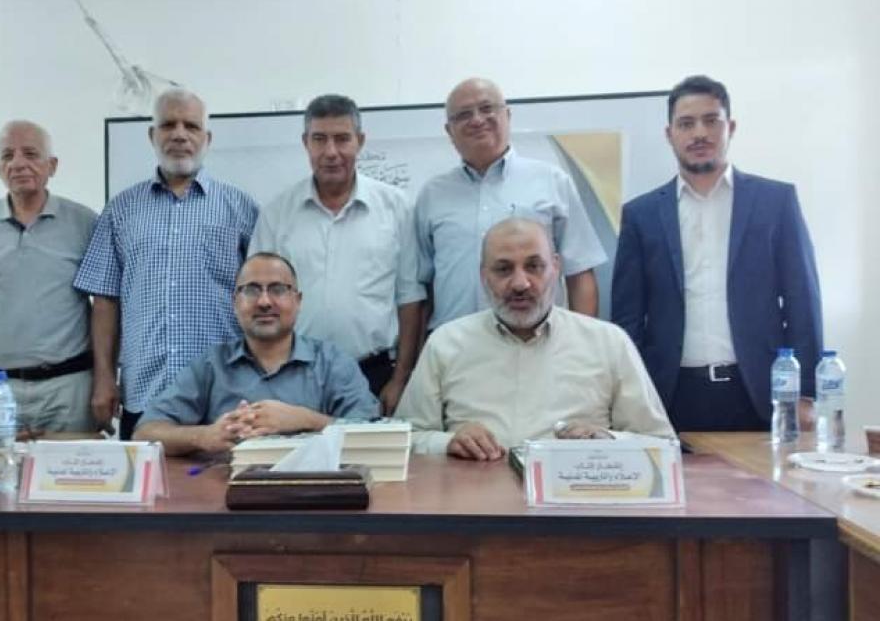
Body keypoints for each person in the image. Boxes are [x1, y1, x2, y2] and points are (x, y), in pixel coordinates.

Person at [611, 75, 823, 433]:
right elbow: (627, 318)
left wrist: (805, 393)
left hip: (759, 392)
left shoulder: (775, 202)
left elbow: (803, 300)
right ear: (669, 134)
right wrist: (628, 396)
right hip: (669, 395)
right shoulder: (641, 215)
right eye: (686, 124)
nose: (699, 133)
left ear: (731, 127)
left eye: (711, 121)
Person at [396, 218, 672, 459]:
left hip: (574, 498)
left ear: (556, 267)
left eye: (534, 266)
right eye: (503, 269)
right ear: (483, 276)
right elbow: (404, 440)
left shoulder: (608, 343)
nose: (520, 284)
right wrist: (448, 442)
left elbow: (661, 444)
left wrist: (607, 440)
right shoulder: (446, 343)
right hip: (473, 499)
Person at [74, 88, 259, 439]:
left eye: (191, 126)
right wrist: (104, 378)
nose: (179, 135)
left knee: (221, 477)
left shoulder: (241, 209)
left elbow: (261, 302)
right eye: (168, 125)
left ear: (207, 138)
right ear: (152, 135)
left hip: (224, 392)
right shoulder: (121, 210)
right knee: (147, 477)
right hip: (146, 390)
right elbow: (105, 301)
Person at [249, 94, 425, 412]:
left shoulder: (397, 208)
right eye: (320, 139)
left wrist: (401, 378)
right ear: (306, 143)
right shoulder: (277, 214)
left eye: (342, 139)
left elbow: (410, 298)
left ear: (360, 141)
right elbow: (257, 302)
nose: (331, 152)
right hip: (294, 375)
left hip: (375, 374)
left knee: (371, 447)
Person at [0, 120, 97, 433]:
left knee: (71, 466)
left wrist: (105, 380)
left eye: (31, 154)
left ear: (52, 165)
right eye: (8, 156)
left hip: (68, 390)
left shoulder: (85, 223)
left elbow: (105, 307)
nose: (18, 163)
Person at [134, 253, 379, 455]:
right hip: (224, 493)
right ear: (235, 302)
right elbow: (145, 433)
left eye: (278, 289)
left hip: (312, 494)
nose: (264, 302)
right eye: (251, 290)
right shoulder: (211, 365)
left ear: (298, 301)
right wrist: (205, 436)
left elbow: (375, 437)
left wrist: (306, 420)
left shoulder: (332, 362)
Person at [414, 77, 606, 333]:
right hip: (456, 345)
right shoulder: (432, 195)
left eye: (487, 108)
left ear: (507, 115)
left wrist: (582, 343)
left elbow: (579, 273)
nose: (477, 120)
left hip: (538, 343)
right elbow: (422, 286)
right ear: (449, 131)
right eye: (463, 114)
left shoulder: (552, 181)